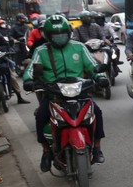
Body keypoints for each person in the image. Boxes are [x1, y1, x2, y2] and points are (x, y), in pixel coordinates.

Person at [23, 15, 107, 171]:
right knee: (41, 116)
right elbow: (30, 69)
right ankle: (46, 151)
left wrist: (101, 76)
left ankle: (97, 148)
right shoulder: (41, 51)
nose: (60, 37)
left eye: (62, 34)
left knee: (97, 112)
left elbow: (93, 65)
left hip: (79, 92)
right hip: (54, 94)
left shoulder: (79, 47)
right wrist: (28, 80)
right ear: (48, 36)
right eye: (55, 35)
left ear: (68, 33)